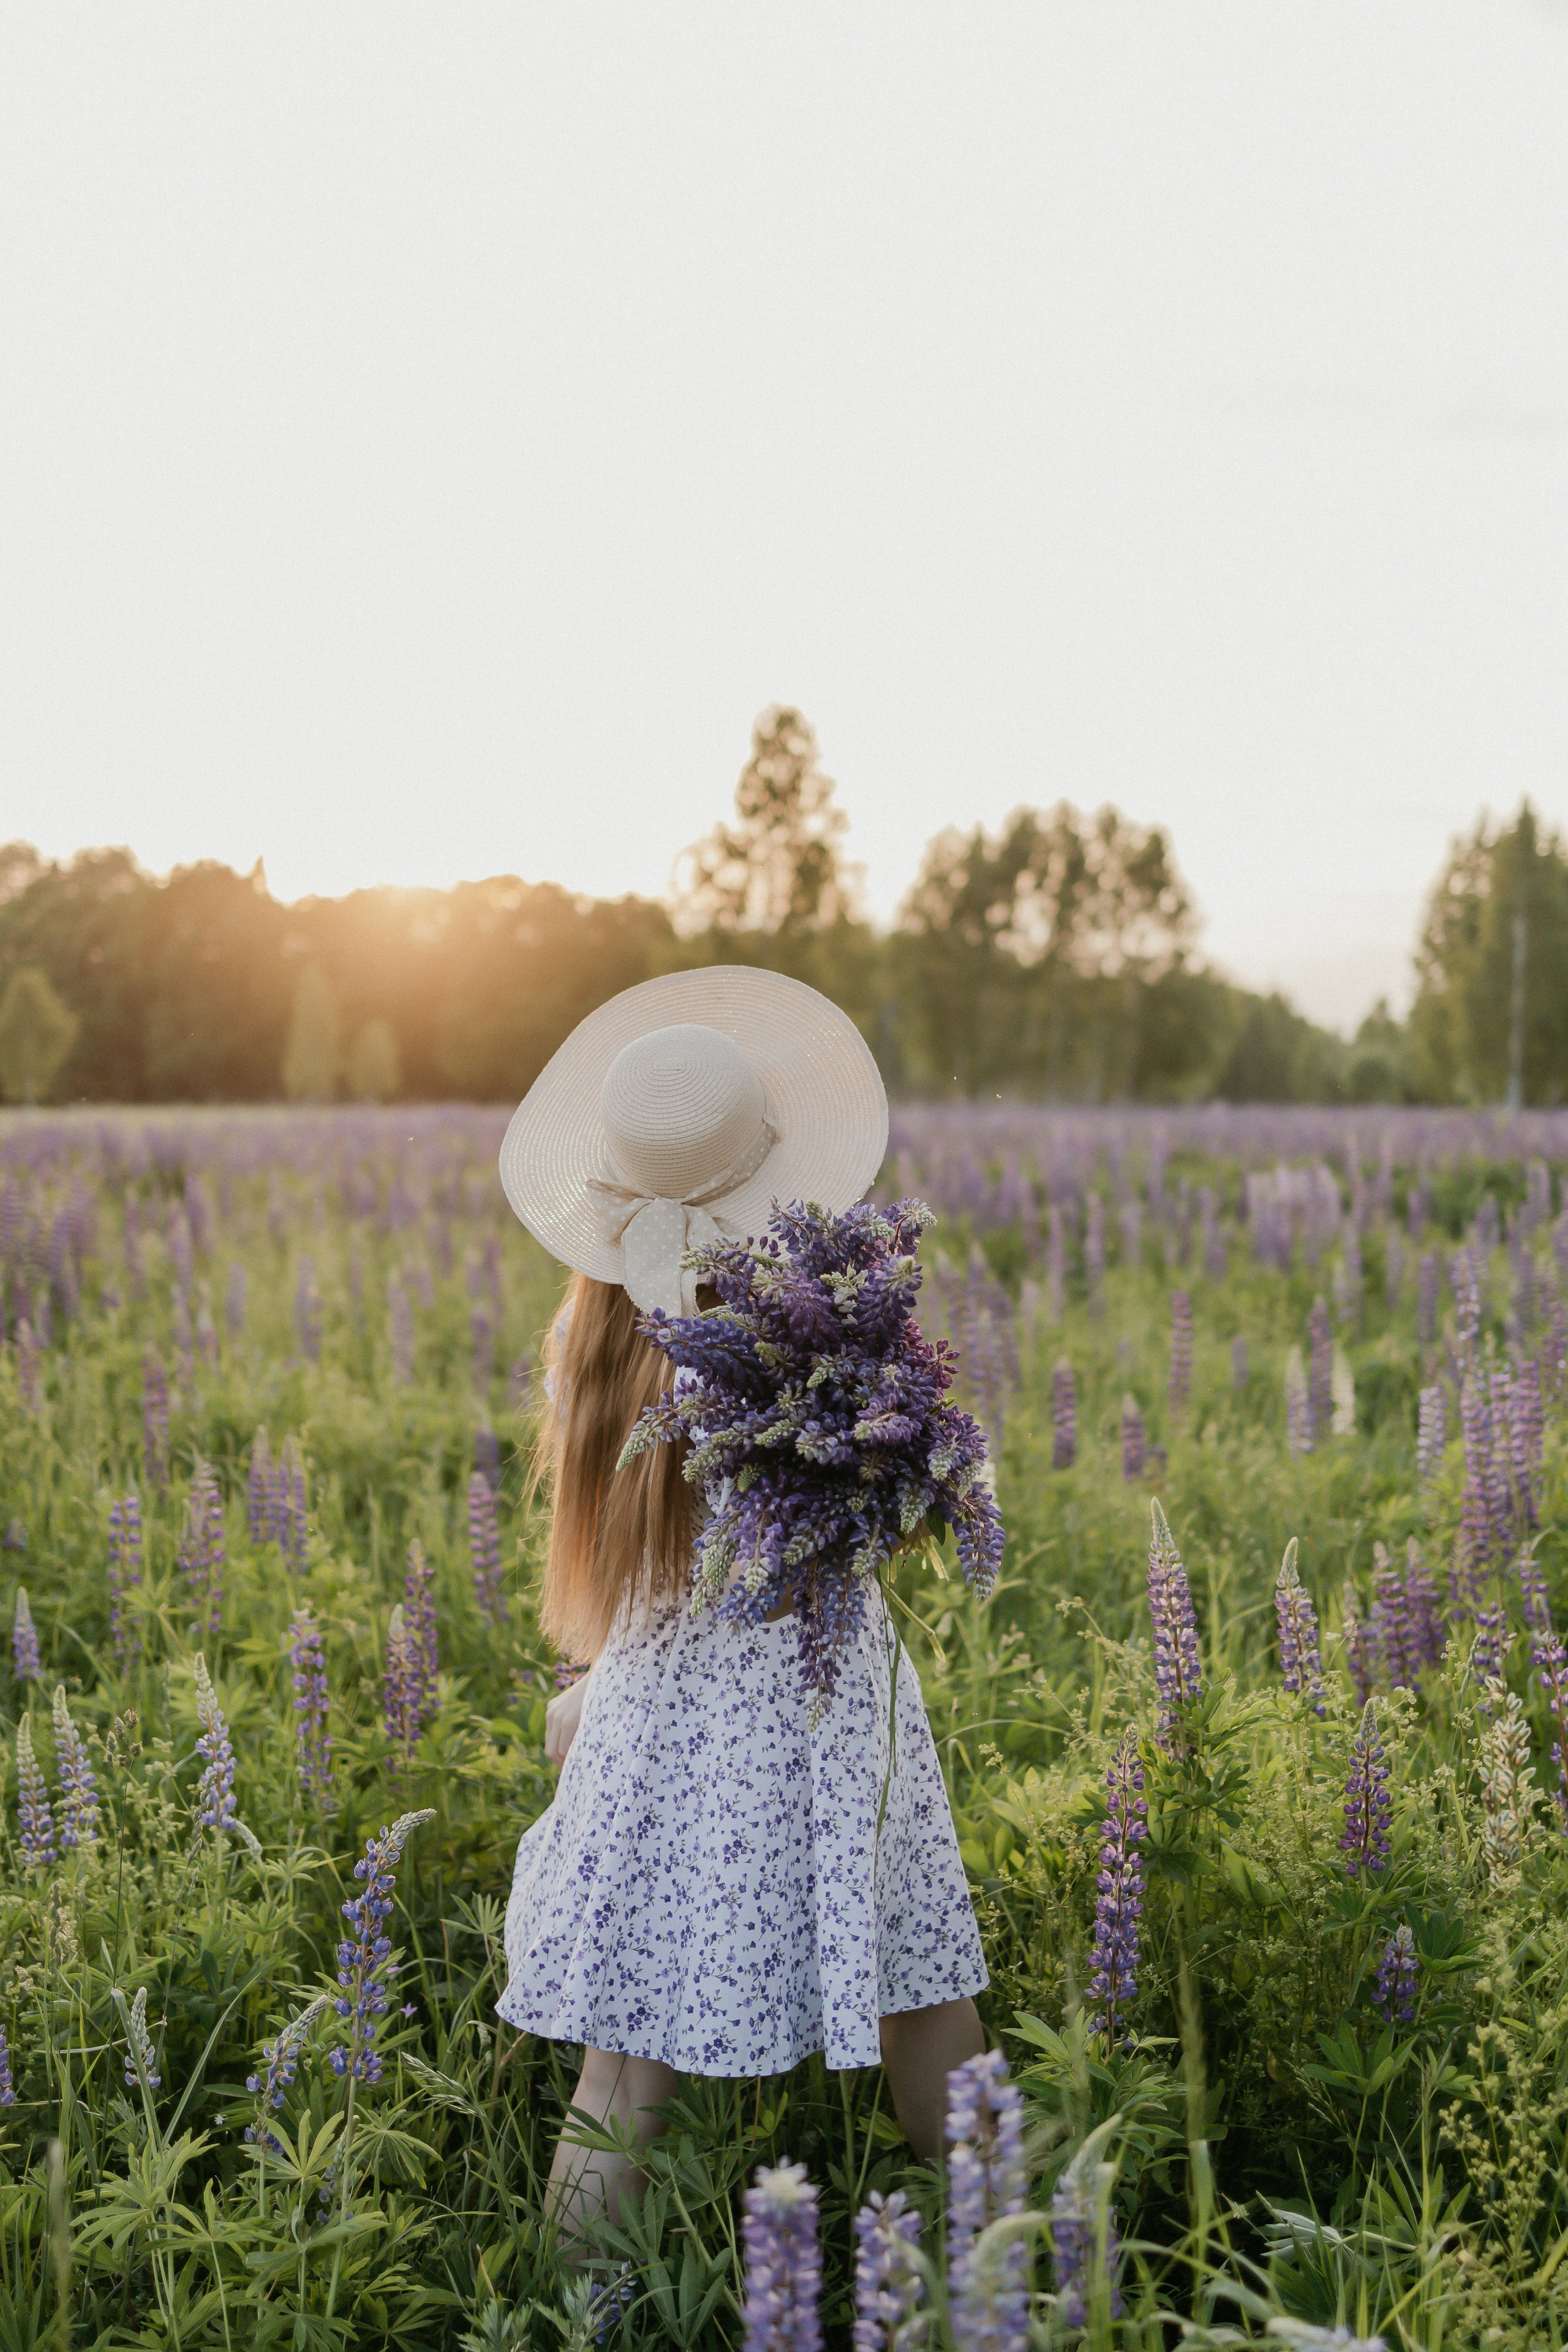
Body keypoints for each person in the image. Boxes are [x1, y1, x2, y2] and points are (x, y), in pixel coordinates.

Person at [494, 966, 987, 2242]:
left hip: (658, 1712)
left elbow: (632, 1567)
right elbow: (897, 1503)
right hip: (827, 1708)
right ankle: (1023, 2266)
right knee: (924, 2005)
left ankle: (569, 2321)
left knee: (622, 2070)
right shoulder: (814, 1333)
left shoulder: (590, 1342)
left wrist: (597, 1695)